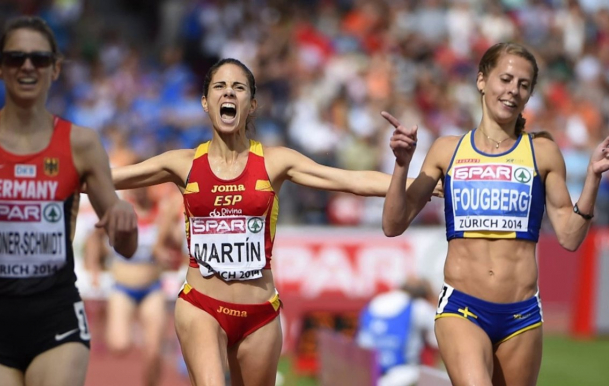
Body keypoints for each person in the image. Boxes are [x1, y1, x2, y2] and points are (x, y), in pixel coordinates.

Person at [109, 57, 416, 386]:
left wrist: (420, 182)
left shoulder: (274, 161)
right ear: (205, 102)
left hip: (260, 314)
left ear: (251, 104)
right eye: (219, 87)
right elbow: (108, 177)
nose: (229, 93)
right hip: (201, 306)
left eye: (238, 88)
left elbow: (349, 180)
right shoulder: (182, 163)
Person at [0, 16, 138, 386]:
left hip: (56, 317)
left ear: (55, 69)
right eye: (15, 57)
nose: (27, 66)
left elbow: (126, 246)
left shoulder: (81, 144)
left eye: (38, 59)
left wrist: (124, 216)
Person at [381, 42, 609, 385]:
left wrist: (593, 177)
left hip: (523, 315)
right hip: (462, 308)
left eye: (523, 84)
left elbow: (570, 236)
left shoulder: (542, 152)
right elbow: (393, 224)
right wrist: (402, 166)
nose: (513, 90)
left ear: (530, 94)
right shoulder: (448, 150)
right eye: (506, 79)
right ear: (481, 81)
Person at [84, 184, 184, 386]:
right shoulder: (120, 211)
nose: (139, 192)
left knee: (154, 350)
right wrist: (93, 266)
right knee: (119, 345)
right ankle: (118, 324)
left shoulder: (161, 212)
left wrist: (170, 243)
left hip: (152, 288)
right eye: (135, 188)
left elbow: (177, 244)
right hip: (122, 287)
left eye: (143, 188)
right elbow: (94, 238)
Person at [356, 277, 439, 386]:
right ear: (424, 295)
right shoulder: (419, 307)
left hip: (368, 372)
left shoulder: (376, 301)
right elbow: (437, 341)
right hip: (403, 374)